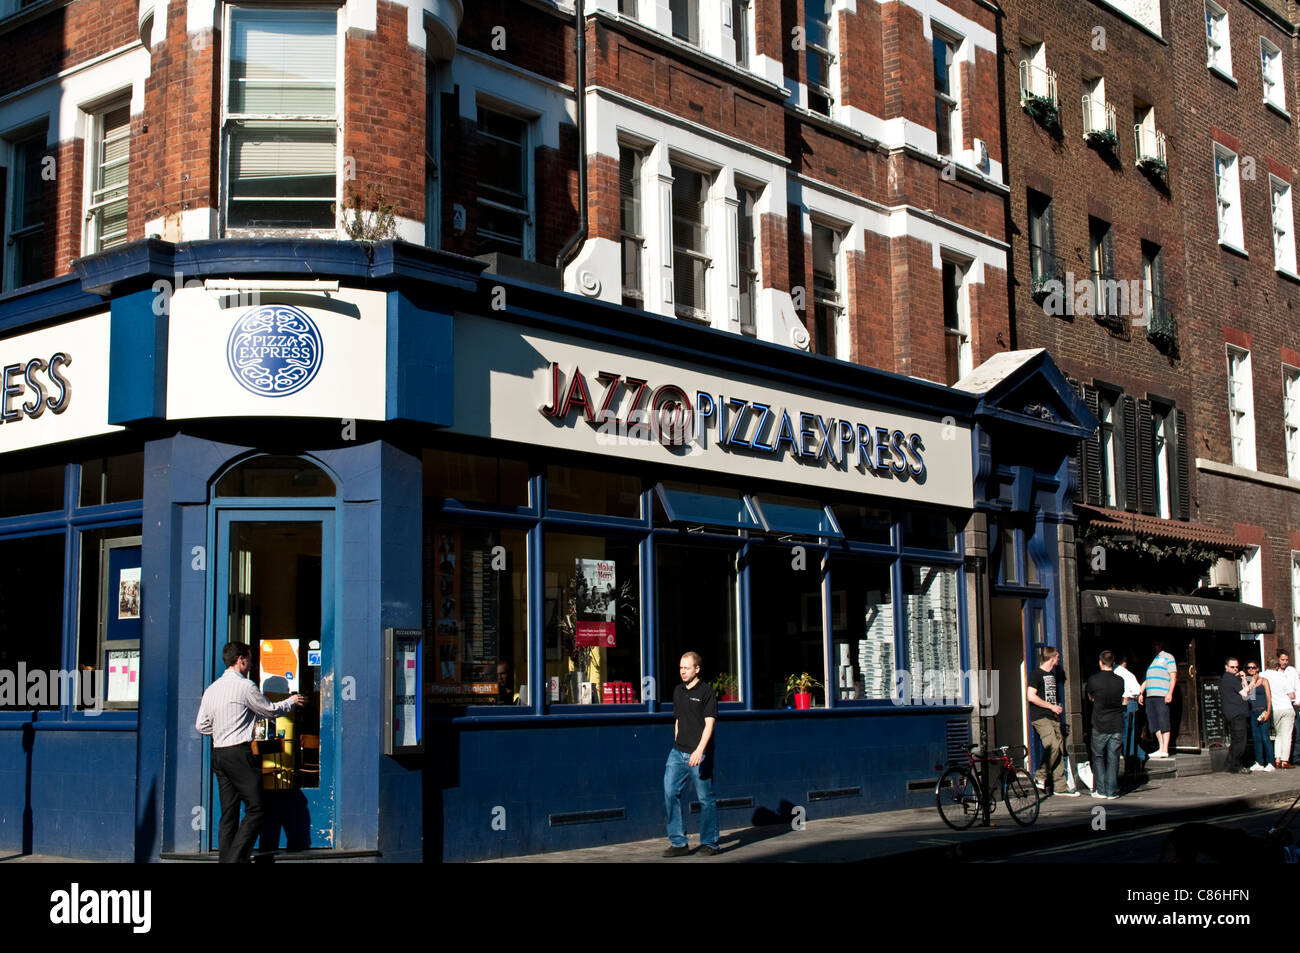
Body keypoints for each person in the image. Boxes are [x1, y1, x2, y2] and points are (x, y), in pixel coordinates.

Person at [196, 641, 305, 863]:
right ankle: (233, 860)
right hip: (239, 754)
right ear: (241, 660)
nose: (252, 663)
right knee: (256, 808)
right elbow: (269, 710)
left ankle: (228, 858)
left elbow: (201, 726)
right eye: (250, 658)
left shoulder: (211, 689)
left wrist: (221, 730)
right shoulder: (246, 687)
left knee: (229, 813)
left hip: (219, 754)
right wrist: (291, 701)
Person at [663, 652, 720, 856]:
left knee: (705, 798)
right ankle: (679, 842)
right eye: (680, 668)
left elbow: (709, 725)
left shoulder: (706, 692)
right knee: (670, 792)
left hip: (700, 754)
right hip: (678, 752)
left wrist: (699, 750)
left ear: (697, 669)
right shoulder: (678, 691)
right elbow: (678, 719)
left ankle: (710, 843)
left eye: (686, 667)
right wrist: (677, 741)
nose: (683, 671)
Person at [1026, 646, 1079, 797]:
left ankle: (1060, 786)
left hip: (1053, 717)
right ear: (1052, 657)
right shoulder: (1036, 674)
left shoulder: (1052, 675)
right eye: (1057, 657)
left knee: (1060, 750)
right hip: (1041, 717)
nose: (1059, 659)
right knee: (1053, 746)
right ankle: (1040, 775)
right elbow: (1031, 696)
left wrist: (1056, 711)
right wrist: (1051, 707)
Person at [1085, 651, 1125, 799]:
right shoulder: (1120, 680)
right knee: (1113, 757)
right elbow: (1121, 698)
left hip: (1100, 722)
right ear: (1113, 663)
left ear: (1100, 662)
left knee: (1098, 756)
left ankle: (1101, 790)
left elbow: (1090, 696)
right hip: (1117, 723)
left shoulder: (1093, 680)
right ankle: (1111, 791)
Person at [1114, 654, 1148, 787]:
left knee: (1124, 735)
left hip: (1123, 705)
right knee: (1130, 735)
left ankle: (1134, 761)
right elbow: (1137, 690)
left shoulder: (1116, 673)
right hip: (1130, 704)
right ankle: (1138, 757)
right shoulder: (1127, 674)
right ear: (1124, 662)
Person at [1141, 639, 1177, 758]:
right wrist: (1140, 692)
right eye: (1153, 644)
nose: (1155, 646)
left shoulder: (1168, 657)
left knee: (1163, 721)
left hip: (1162, 694)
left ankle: (1165, 748)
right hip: (1150, 695)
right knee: (1153, 722)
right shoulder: (1152, 660)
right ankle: (1160, 747)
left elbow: (1173, 676)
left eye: (1157, 644)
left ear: (1161, 644)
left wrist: (1170, 693)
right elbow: (1148, 679)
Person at [1219, 657, 1251, 774]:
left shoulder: (1227, 678)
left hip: (1234, 713)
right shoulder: (1231, 679)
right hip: (1237, 713)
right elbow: (1246, 693)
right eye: (1232, 667)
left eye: (1237, 667)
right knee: (1240, 741)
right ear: (1226, 667)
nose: (1235, 669)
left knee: (1236, 740)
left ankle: (1231, 764)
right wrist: (1244, 679)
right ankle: (1236, 765)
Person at [1264, 655, 1297, 768]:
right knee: (1287, 735)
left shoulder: (1263, 675)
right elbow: (1291, 694)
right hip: (1286, 708)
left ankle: (1277, 758)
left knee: (1278, 735)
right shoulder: (1282, 676)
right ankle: (1284, 761)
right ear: (1277, 666)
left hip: (1274, 709)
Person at [1244, 660, 1276, 773]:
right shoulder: (1248, 681)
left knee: (1265, 737)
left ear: (1258, 668)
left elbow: (1269, 697)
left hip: (1263, 710)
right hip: (1253, 712)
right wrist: (1249, 682)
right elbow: (1247, 697)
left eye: (1253, 667)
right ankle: (1259, 762)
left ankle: (1271, 762)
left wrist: (1268, 712)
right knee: (1256, 738)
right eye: (1249, 668)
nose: (1251, 669)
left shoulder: (1264, 681)